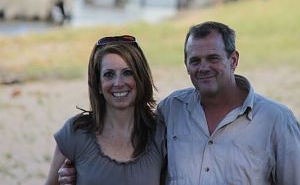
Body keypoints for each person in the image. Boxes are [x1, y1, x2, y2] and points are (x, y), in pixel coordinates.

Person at [57, 21, 300, 184]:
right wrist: (81, 172)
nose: (203, 68)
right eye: (195, 60)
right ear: (186, 64)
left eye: (213, 58)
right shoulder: (171, 111)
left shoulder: (276, 121)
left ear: (233, 59)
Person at [45, 35, 166, 185]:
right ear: (98, 85)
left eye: (128, 73)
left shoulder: (160, 134)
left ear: (140, 78)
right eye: (109, 75)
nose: (119, 83)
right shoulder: (75, 133)